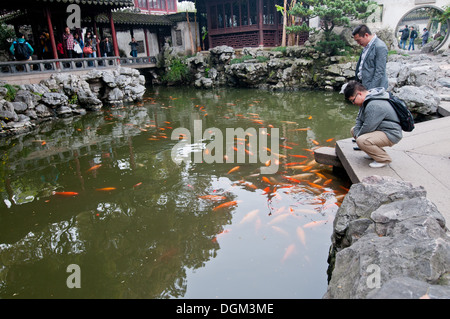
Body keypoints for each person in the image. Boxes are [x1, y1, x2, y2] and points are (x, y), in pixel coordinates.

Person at [343, 80, 402, 168]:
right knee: (354, 130)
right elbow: (359, 119)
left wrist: (359, 139)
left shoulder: (374, 105)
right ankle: (372, 153)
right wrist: (357, 133)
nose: (353, 103)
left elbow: (368, 127)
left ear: (359, 94)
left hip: (391, 133)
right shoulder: (367, 100)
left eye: (353, 100)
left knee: (362, 140)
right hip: (380, 129)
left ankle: (383, 159)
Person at [353, 24, 388, 90]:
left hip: (374, 88)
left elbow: (379, 72)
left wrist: (370, 91)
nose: (358, 43)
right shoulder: (366, 46)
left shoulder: (380, 47)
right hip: (363, 84)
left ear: (366, 35)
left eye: (359, 40)